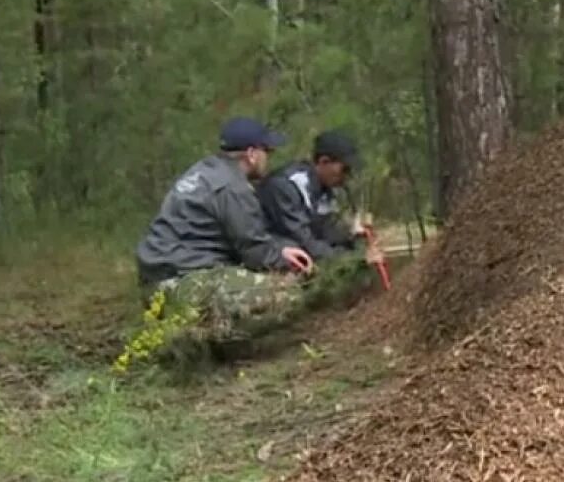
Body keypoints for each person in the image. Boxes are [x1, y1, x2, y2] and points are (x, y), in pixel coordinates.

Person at [134, 117, 315, 342]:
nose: (268, 158)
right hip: (184, 279)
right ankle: (195, 338)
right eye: (266, 151)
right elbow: (254, 251)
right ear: (251, 154)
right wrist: (284, 260)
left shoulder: (204, 170)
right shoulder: (233, 188)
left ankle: (186, 321)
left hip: (157, 278)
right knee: (287, 292)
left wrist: (280, 249)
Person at [256, 129, 385, 267]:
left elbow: (325, 230)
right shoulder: (285, 187)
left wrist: (353, 238)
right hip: (270, 253)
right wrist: (355, 258)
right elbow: (305, 243)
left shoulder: (323, 188)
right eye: (345, 170)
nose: (347, 177)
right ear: (324, 162)